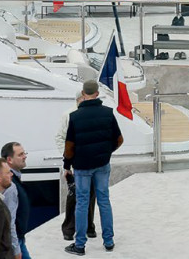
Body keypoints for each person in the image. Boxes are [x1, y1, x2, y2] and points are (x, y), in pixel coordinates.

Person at [63, 81, 122, 255]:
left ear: (83, 93)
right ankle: (109, 241)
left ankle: (80, 245)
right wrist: (106, 152)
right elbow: (119, 140)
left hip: (82, 166)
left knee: (82, 203)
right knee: (104, 200)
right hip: (102, 164)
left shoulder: (75, 117)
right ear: (97, 93)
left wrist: (67, 165)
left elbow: (69, 146)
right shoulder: (108, 113)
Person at [1, 142, 33, 259]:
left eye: (24, 153)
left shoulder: (15, 179)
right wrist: (15, 247)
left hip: (19, 239)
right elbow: (9, 219)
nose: (25, 156)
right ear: (9, 159)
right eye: (20, 154)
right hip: (13, 242)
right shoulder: (10, 185)